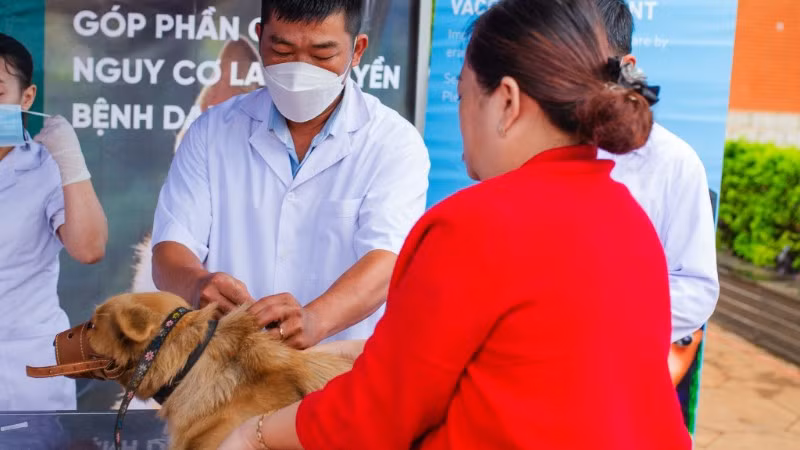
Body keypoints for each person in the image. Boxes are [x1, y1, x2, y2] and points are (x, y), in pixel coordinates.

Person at [219, 0, 691, 448]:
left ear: (506, 101)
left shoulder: (475, 224)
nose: (462, 113)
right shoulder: (629, 216)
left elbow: (373, 417)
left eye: (463, 94)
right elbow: (502, 360)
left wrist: (251, 434)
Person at [151, 0, 430, 349]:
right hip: (225, 372)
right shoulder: (211, 132)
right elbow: (170, 250)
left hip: (336, 375)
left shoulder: (393, 142)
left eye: (322, 54)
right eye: (282, 50)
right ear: (260, 37)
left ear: (357, 50)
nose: (300, 70)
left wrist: (315, 319)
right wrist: (195, 284)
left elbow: (387, 260)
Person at [596, 0, 720, 381]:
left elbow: (696, 288)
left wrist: (601, 321)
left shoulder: (673, 162)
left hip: (623, 374)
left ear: (624, 67)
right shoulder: (528, 147)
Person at [0, 33, 107, 411]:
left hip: (23, 368)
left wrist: (70, 163)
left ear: (26, 98)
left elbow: (90, 248)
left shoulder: (46, 166)